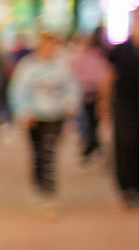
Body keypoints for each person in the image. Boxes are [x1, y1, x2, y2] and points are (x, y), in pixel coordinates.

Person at [9, 30, 82, 202]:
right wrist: (23, 112)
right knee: (37, 152)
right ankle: (38, 184)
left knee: (49, 151)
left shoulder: (62, 66)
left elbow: (71, 88)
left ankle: (49, 189)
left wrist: (69, 105)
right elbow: (18, 90)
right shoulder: (28, 66)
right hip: (34, 117)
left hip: (55, 115)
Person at [69, 29, 114, 163]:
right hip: (90, 92)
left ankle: (93, 147)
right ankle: (93, 147)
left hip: (93, 92)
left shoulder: (99, 54)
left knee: (93, 123)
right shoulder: (97, 55)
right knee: (92, 123)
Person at [110, 19, 139, 206]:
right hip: (125, 105)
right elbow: (108, 76)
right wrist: (104, 104)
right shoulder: (121, 50)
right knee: (126, 143)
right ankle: (128, 188)